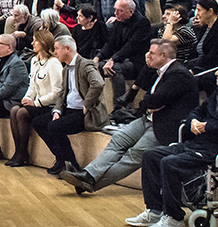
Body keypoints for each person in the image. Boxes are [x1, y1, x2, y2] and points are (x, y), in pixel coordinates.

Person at [131, 58, 218, 227]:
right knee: (150, 156)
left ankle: (174, 219)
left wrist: (208, 126)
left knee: (170, 162)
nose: (216, 73)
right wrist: (194, 122)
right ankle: (154, 210)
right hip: (198, 143)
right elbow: (197, 111)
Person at [60, 40, 198, 195]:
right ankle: (88, 175)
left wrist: (147, 103)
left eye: (152, 53)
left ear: (164, 55)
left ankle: (91, 182)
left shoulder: (179, 74)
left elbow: (154, 100)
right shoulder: (160, 71)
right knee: (118, 140)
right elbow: (147, 93)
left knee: (134, 155)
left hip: (165, 127)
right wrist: (148, 71)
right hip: (148, 119)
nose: (148, 55)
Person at [33, 35, 107, 174]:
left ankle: (72, 164)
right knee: (38, 122)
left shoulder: (85, 64)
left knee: (54, 127)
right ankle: (61, 159)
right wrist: (57, 111)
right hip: (68, 110)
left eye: (57, 48)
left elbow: (98, 83)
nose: (55, 52)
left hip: (83, 114)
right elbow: (62, 93)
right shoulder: (66, 68)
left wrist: (87, 104)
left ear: (67, 48)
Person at [5, 29, 63, 167]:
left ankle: (23, 153)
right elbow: (32, 86)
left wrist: (36, 103)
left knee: (22, 113)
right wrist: (27, 98)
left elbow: (57, 93)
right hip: (36, 103)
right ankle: (18, 151)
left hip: (49, 105)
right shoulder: (34, 61)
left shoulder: (53, 63)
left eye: (35, 41)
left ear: (43, 42)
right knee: (14, 110)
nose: (32, 43)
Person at [96, 0, 151, 109]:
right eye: (115, 9)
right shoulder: (119, 21)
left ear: (130, 12)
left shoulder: (142, 23)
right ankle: (97, 108)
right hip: (121, 58)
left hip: (136, 62)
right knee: (95, 66)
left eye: (120, 10)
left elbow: (131, 46)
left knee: (115, 69)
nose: (115, 13)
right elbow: (110, 43)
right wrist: (98, 57)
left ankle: (120, 108)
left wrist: (113, 59)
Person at [188, 0, 218, 77]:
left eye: (199, 10)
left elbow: (213, 57)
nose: (197, 14)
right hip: (197, 63)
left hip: (209, 68)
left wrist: (194, 69)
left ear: (210, 11)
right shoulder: (204, 27)